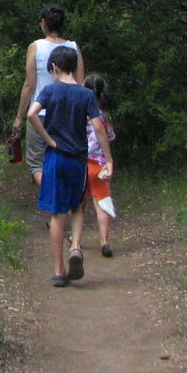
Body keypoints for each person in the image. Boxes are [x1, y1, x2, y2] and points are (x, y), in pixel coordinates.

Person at [27, 46, 110, 287]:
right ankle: (75, 246)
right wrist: (109, 159)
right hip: (78, 160)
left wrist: (49, 139)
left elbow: (33, 114)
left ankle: (59, 269)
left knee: (56, 213)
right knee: (77, 208)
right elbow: (98, 127)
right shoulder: (85, 95)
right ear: (74, 67)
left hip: (55, 158)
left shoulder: (50, 90)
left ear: (54, 67)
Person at [11, 5, 85, 189]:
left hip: (40, 113)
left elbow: (29, 85)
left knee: (37, 164)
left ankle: (54, 202)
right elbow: (81, 82)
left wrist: (19, 117)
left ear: (43, 23)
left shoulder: (35, 47)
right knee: (65, 158)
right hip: (69, 115)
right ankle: (61, 204)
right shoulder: (73, 47)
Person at [83, 74, 117, 258]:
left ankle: (76, 241)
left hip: (80, 163)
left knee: (79, 203)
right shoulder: (103, 115)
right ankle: (104, 241)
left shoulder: (78, 112)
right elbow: (110, 136)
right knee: (102, 202)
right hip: (100, 165)